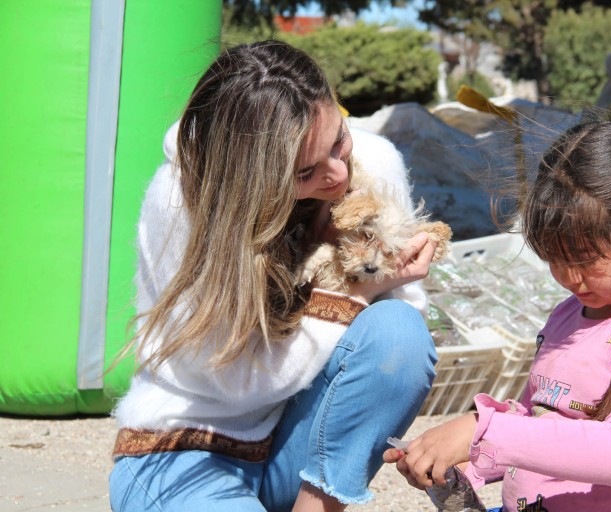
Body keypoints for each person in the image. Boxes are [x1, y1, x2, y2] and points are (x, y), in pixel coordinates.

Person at [109, 40, 440, 512]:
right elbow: (233, 379)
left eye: (339, 141)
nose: (338, 174)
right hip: (187, 448)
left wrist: (379, 281)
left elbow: (391, 348)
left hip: (296, 443)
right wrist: (350, 294)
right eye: (305, 172)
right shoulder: (181, 198)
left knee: (399, 333)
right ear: (248, 176)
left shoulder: (374, 161)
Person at [385, 121, 611, 511]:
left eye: (586, 260)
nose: (569, 277)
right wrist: (462, 460)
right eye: (555, 259)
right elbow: (539, 420)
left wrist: (485, 431)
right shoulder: (569, 313)